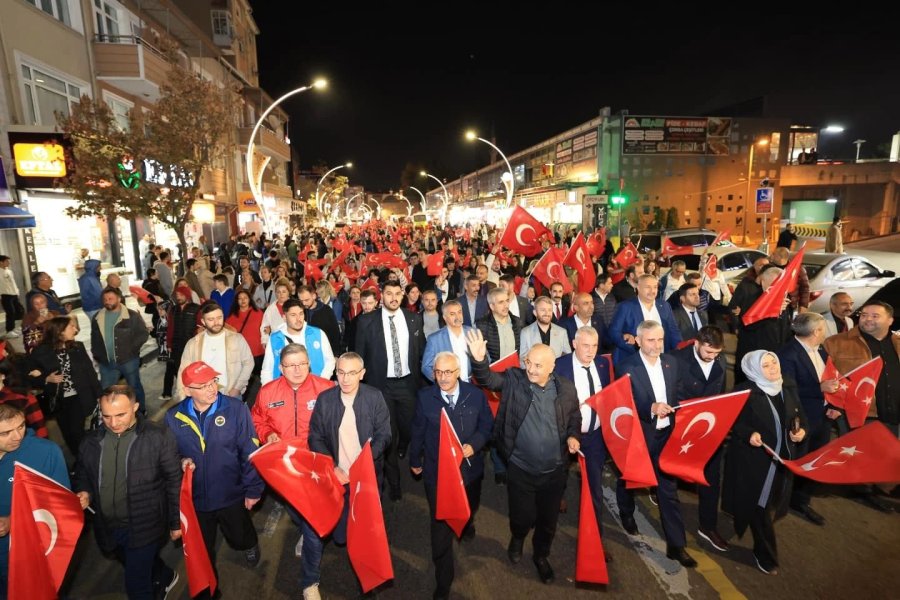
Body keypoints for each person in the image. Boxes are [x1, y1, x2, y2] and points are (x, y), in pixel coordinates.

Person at [467, 332, 580, 584]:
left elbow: (574, 418)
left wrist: (573, 436)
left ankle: (541, 556)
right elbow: (487, 379)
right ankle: (517, 537)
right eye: (528, 362)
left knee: (548, 522)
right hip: (520, 469)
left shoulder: (566, 390)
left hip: (554, 472)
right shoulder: (515, 380)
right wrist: (478, 359)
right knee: (522, 516)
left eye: (538, 365)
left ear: (552, 368)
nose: (530, 368)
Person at [74, 385, 182, 599]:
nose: (113, 423)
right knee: (134, 560)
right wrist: (84, 491)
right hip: (108, 525)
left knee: (136, 586)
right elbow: (82, 474)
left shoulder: (158, 437)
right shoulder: (91, 442)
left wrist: (176, 521)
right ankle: (166, 575)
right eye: (106, 416)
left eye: (120, 414)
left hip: (145, 525)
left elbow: (174, 481)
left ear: (136, 407)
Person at [165, 361, 264, 581]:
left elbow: (250, 451)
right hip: (197, 498)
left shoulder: (235, 409)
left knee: (239, 533)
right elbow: (169, 456)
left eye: (213, 382)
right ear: (188, 390)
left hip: (230, 491)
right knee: (203, 544)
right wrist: (181, 461)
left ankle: (249, 544)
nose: (212, 389)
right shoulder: (174, 417)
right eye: (203, 385)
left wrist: (253, 489)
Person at [304, 352, 392, 599]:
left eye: (352, 373)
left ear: (362, 374)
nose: (345, 378)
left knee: (366, 532)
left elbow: (385, 435)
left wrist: (361, 465)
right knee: (341, 535)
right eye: (341, 372)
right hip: (336, 477)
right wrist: (333, 467)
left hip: (367, 477)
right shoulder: (325, 400)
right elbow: (315, 437)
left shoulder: (374, 398)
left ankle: (369, 582)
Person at [409, 352, 493, 600]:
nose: (443, 378)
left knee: (470, 506)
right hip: (438, 474)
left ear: (459, 372)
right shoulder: (426, 398)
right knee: (441, 528)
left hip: (470, 470)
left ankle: (466, 523)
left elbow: (487, 426)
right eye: (438, 373)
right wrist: (415, 460)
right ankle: (443, 581)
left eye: (448, 372)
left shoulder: (475, 395)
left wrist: (474, 444)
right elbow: (418, 431)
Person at [616, 320, 697, 568]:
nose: (657, 345)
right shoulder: (626, 367)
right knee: (630, 479)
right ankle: (627, 513)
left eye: (660, 339)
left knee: (668, 491)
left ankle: (676, 545)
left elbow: (680, 392)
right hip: (640, 437)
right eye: (650, 340)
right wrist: (650, 408)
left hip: (666, 438)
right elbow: (625, 402)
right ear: (638, 341)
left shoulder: (672, 363)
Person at [723, 351, 806, 575]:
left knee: (768, 502)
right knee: (759, 506)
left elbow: (799, 415)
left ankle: (738, 512)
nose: (773, 368)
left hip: (782, 459)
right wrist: (748, 433)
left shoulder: (786, 385)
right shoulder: (745, 392)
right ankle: (766, 555)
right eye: (766, 365)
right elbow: (731, 421)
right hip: (755, 462)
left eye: (774, 363)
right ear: (754, 370)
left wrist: (801, 432)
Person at [252, 343, 335, 558]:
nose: (297, 370)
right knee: (294, 505)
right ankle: (305, 529)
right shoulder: (268, 392)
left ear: (309, 364)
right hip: (285, 464)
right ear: (281, 368)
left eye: (302, 364)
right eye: (291, 365)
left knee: (315, 504)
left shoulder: (326, 389)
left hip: (316, 460)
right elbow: (257, 419)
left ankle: (310, 537)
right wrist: (267, 434)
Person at [354, 280, 425, 501]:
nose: (393, 297)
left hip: (407, 384)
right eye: (389, 293)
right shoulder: (366, 322)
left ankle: (404, 445)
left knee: (409, 427)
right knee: (387, 435)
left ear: (403, 295)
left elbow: (420, 352)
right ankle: (394, 483)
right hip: (380, 386)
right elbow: (359, 355)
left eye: (397, 293)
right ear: (381, 296)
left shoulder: (414, 319)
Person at [670, 326, 729, 551]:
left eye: (716, 353)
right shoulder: (676, 360)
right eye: (708, 353)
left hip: (709, 431)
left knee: (711, 479)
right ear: (696, 343)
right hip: (682, 429)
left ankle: (708, 525)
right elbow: (670, 393)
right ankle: (671, 522)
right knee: (672, 474)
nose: (712, 357)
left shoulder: (720, 362)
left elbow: (721, 396)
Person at [553, 327, 616, 538]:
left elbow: (609, 396)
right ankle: (548, 522)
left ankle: (594, 538)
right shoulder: (560, 367)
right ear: (574, 344)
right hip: (564, 436)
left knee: (594, 487)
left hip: (595, 436)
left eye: (595, 346)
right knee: (556, 478)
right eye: (585, 346)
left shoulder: (603, 364)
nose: (591, 351)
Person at [776, 312, 838, 526]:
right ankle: (781, 501)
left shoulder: (821, 351)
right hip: (800, 419)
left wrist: (832, 404)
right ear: (816, 331)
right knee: (797, 461)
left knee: (814, 461)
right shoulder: (787, 354)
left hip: (822, 416)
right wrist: (819, 388)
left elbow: (830, 378)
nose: (825, 333)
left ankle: (801, 501)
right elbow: (786, 389)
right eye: (823, 329)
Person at [0, 404, 69, 595]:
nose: (17, 436)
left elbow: (60, 505)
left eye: (21, 426)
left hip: (28, 553)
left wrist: (13, 520)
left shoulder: (46, 452)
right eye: (6, 433)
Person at [824, 300, 899, 438]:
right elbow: (821, 376)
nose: (868, 319)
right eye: (864, 315)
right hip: (858, 418)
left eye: (875, 316)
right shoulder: (835, 343)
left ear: (890, 320)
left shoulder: (897, 343)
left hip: (896, 420)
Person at [26, 316, 99, 455]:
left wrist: (100, 395)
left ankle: (86, 460)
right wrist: (46, 378)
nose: (76, 329)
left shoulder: (78, 347)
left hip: (79, 397)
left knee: (77, 431)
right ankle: (79, 460)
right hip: (57, 400)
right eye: (71, 327)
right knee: (67, 432)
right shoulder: (41, 352)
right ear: (59, 332)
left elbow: (90, 372)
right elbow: (28, 377)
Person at [177, 301, 254, 401]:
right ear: (203, 322)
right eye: (211, 319)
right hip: (204, 397)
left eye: (219, 318)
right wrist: (183, 397)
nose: (216, 322)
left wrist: (237, 388)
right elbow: (184, 370)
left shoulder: (237, 339)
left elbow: (248, 363)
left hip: (230, 394)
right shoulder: (193, 343)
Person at [91, 287, 150, 413]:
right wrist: (96, 353)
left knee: (134, 387)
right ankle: (110, 413)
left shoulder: (131, 316)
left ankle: (140, 411)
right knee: (107, 389)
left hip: (128, 360)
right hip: (107, 363)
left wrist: (132, 349)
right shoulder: (97, 317)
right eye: (105, 299)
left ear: (119, 299)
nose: (107, 301)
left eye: (110, 298)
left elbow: (143, 334)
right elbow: (94, 337)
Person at [734, 266, 792, 384]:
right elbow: (747, 325)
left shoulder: (783, 299)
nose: (778, 288)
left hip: (775, 356)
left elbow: (785, 327)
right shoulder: (751, 299)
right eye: (774, 284)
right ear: (763, 282)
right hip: (754, 356)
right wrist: (771, 311)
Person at [608, 274, 682, 364]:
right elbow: (613, 332)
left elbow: (673, 330)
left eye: (655, 287)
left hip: (660, 359)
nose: (652, 291)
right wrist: (632, 346)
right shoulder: (625, 306)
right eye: (648, 287)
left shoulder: (664, 306)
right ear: (638, 288)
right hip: (632, 359)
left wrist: (679, 349)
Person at [261, 298, 335, 384]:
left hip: (315, 387)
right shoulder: (275, 338)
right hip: (284, 390)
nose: (298, 319)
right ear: (284, 317)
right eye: (293, 315)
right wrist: (268, 391)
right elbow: (267, 369)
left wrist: (321, 381)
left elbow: (330, 360)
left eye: (301, 314)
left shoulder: (318, 334)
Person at [226, 289, 265, 403]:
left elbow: (265, 328)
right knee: (243, 381)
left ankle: (258, 402)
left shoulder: (258, 313)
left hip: (257, 353)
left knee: (259, 381)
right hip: (240, 355)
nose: (243, 300)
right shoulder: (232, 316)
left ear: (249, 299)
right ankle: (245, 403)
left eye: (245, 298)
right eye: (240, 298)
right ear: (236, 301)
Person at [422, 300, 473, 383]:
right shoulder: (434, 339)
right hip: (448, 388)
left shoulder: (473, 333)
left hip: (472, 385)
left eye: (459, 312)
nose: (458, 317)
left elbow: (486, 359)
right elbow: (426, 366)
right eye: (452, 314)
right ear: (445, 318)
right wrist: (442, 381)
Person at [519, 296, 571, 367]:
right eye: (543, 310)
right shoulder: (526, 332)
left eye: (549, 310)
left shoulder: (562, 332)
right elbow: (523, 360)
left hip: (557, 374)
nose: (547, 313)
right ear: (535, 313)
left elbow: (568, 357)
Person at [298, 285, 342, 357]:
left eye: (306, 300)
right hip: (304, 353)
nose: (303, 303)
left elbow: (335, 334)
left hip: (324, 353)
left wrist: (336, 355)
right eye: (301, 301)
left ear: (314, 296)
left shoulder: (326, 311)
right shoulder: (299, 311)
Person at [260, 278, 291, 346]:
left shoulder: (295, 306)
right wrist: (265, 341)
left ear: (288, 292)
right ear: (275, 293)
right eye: (278, 292)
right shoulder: (270, 309)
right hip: (276, 343)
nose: (281, 294)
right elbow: (265, 327)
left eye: (284, 291)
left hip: (293, 341)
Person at [0, 257, 21, 339]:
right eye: (7, 261)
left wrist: (17, 292)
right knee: (10, 313)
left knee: (17, 312)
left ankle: (13, 329)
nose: (8, 263)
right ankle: (9, 331)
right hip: (5, 295)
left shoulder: (9, 271)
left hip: (14, 294)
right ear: (1, 262)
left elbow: (13, 283)